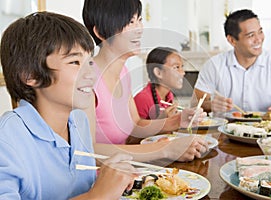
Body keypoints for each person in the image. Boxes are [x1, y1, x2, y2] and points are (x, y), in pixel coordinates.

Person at [0, 12, 136, 199]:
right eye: (74, 62)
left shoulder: (78, 120)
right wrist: (96, 196)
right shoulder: (7, 139)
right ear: (30, 75)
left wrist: (109, 182)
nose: (91, 75)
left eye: (89, 62)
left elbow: (81, 190)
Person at [82, 0, 209, 162]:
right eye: (130, 22)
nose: (139, 29)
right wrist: (164, 149)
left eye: (139, 20)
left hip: (126, 169)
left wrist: (177, 120)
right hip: (101, 178)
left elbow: (136, 125)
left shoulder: (123, 72)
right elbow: (88, 149)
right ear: (100, 32)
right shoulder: (87, 80)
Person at [193, 9, 271, 114]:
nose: (259, 39)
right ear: (232, 40)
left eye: (260, 32)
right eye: (251, 35)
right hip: (224, 128)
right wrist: (211, 105)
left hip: (264, 128)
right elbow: (195, 103)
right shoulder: (214, 65)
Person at [134, 47, 185, 120]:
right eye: (176, 67)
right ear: (158, 72)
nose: (183, 73)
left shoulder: (168, 95)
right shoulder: (142, 99)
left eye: (181, 67)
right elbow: (136, 130)